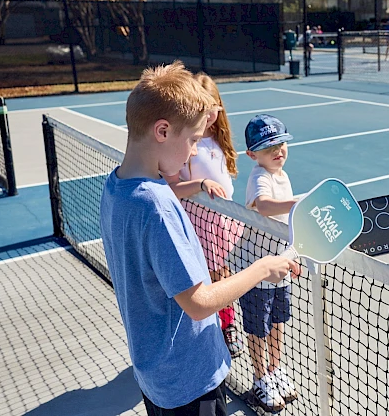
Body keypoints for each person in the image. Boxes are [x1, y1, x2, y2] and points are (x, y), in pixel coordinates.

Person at [100, 62, 299, 416]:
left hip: (157, 375)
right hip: (189, 381)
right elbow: (200, 302)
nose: (195, 151)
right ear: (162, 130)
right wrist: (263, 267)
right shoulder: (156, 205)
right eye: (193, 140)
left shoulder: (115, 185)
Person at [164, 73, 244, 359]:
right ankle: (221, 325)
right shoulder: (185, 142)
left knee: (222, 273)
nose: (209, 114)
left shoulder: (219, 137)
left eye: (213, 107)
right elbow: (172, 188)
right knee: (208, 276)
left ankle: (227, 323)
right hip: (199, 220)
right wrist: (200, 185)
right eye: (203, 107)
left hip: (224, 219)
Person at [241, 114, 300, 412]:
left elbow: (286, 224)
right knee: (257, 329)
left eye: (280, 143)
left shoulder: (282, 175)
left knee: (277, 323)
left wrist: (294, 255)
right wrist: (296, 204)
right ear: (252, 155)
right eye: (268, 147)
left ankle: (275, 370)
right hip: (257, 270)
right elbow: (264, 207)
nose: (277, 151)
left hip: (281, 267)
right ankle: (260, 377)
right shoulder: (259, 177)